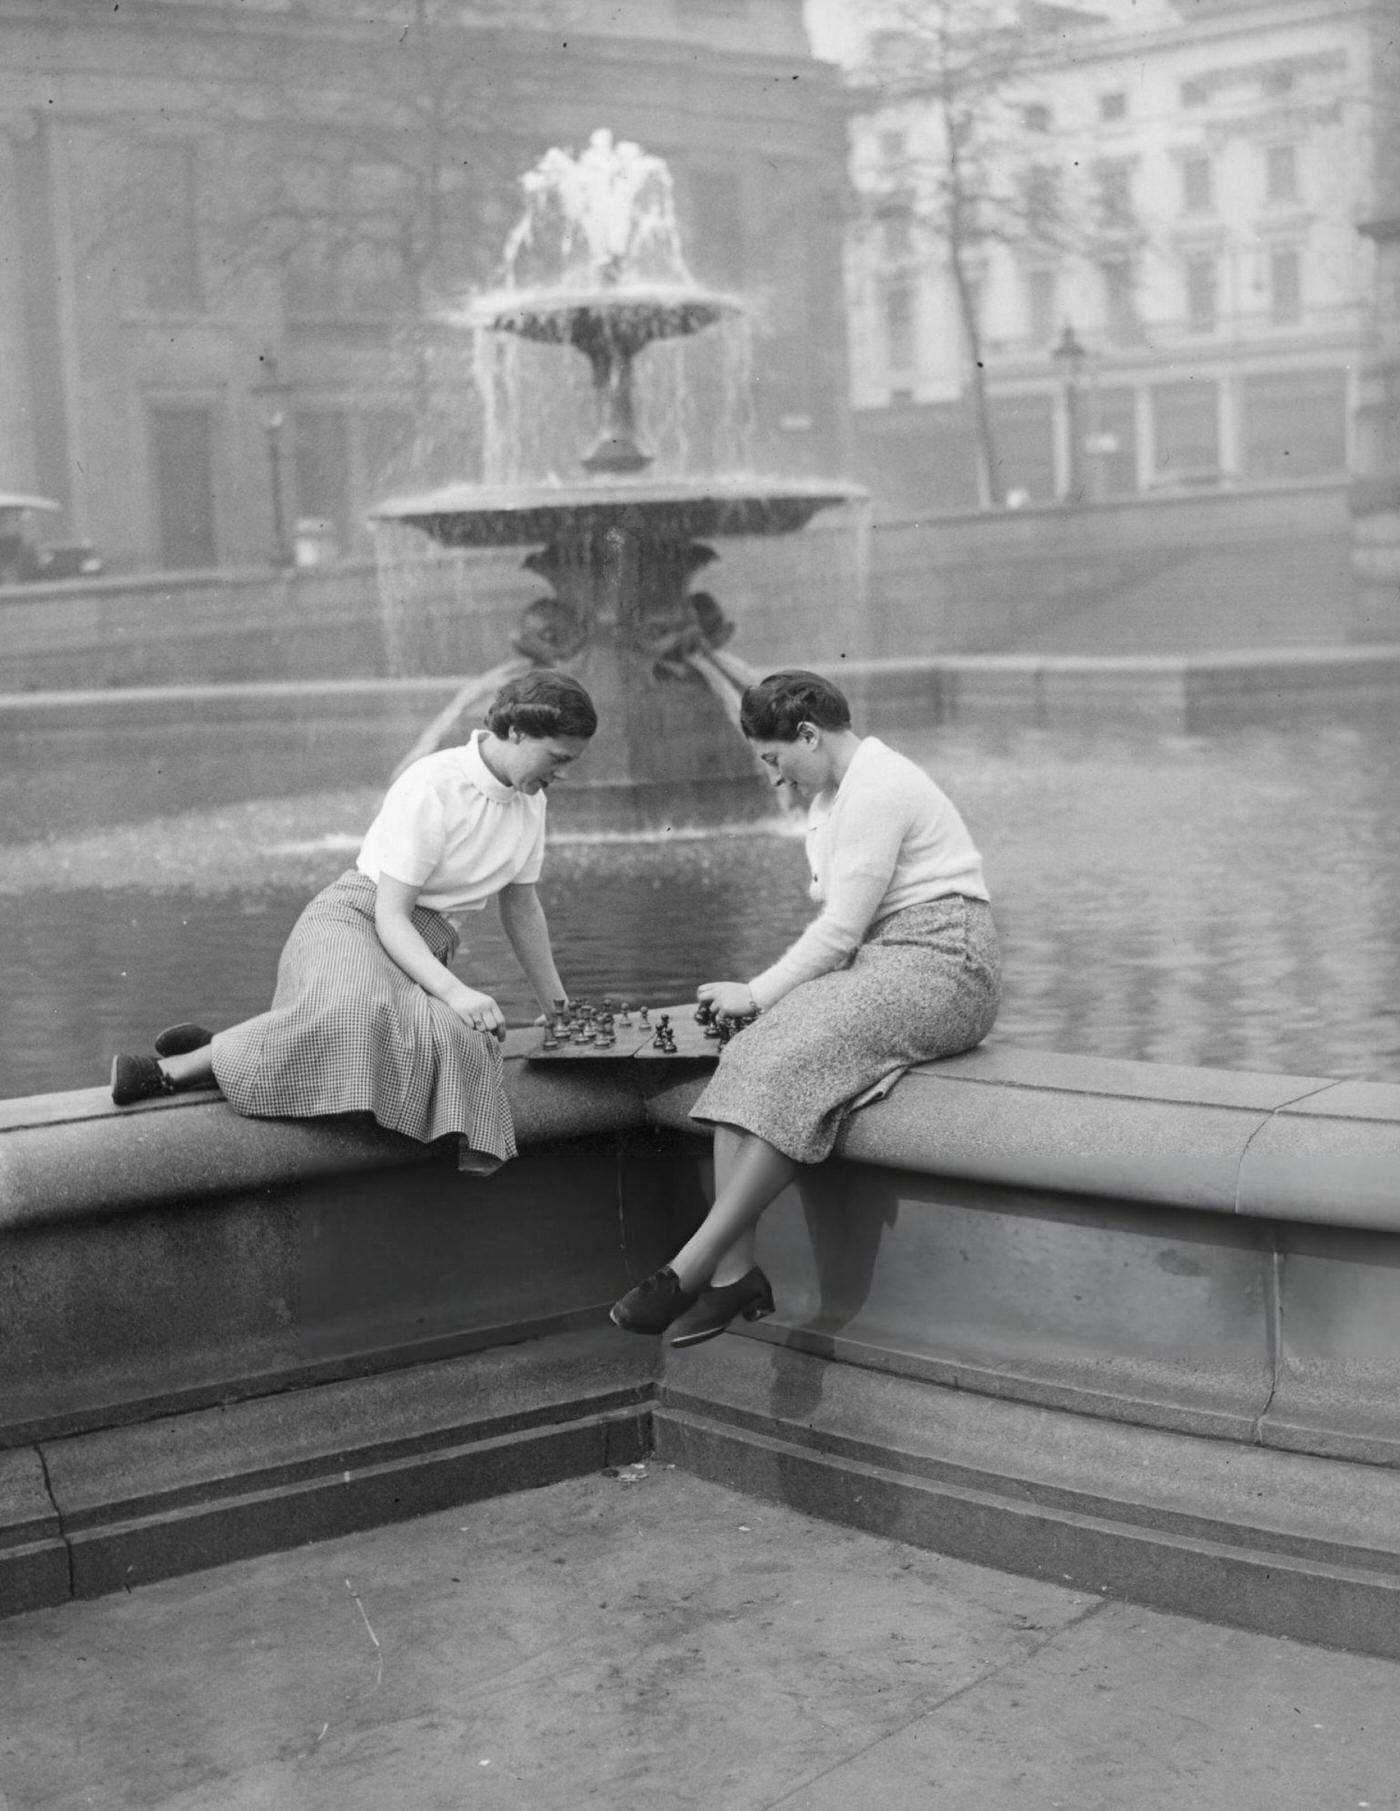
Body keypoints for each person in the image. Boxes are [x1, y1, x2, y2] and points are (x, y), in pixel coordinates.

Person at [610, 669, 1000, 1345]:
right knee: (753, 1049)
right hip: (886, 961)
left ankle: (690, 1267)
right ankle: (734, 1277)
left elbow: (839, 930)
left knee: (789, 1045)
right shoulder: (833, 790)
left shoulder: (878, 787)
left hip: (946, 965)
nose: (773, 779)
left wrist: (756, 991)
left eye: (774, 759)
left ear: (810, 735)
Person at [109, 669, 597, 1174]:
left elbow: (522, 909)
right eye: (557, 758)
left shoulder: (530, 803)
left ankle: (225, 1047)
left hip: (422, 947)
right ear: (516, 733)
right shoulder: (433, 785)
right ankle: (166, 1072)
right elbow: (390, 915)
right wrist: (455, 992)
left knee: (465, 1040)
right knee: (359, 1007)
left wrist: (558, 1008)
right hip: (354, 921)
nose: (560, 774)